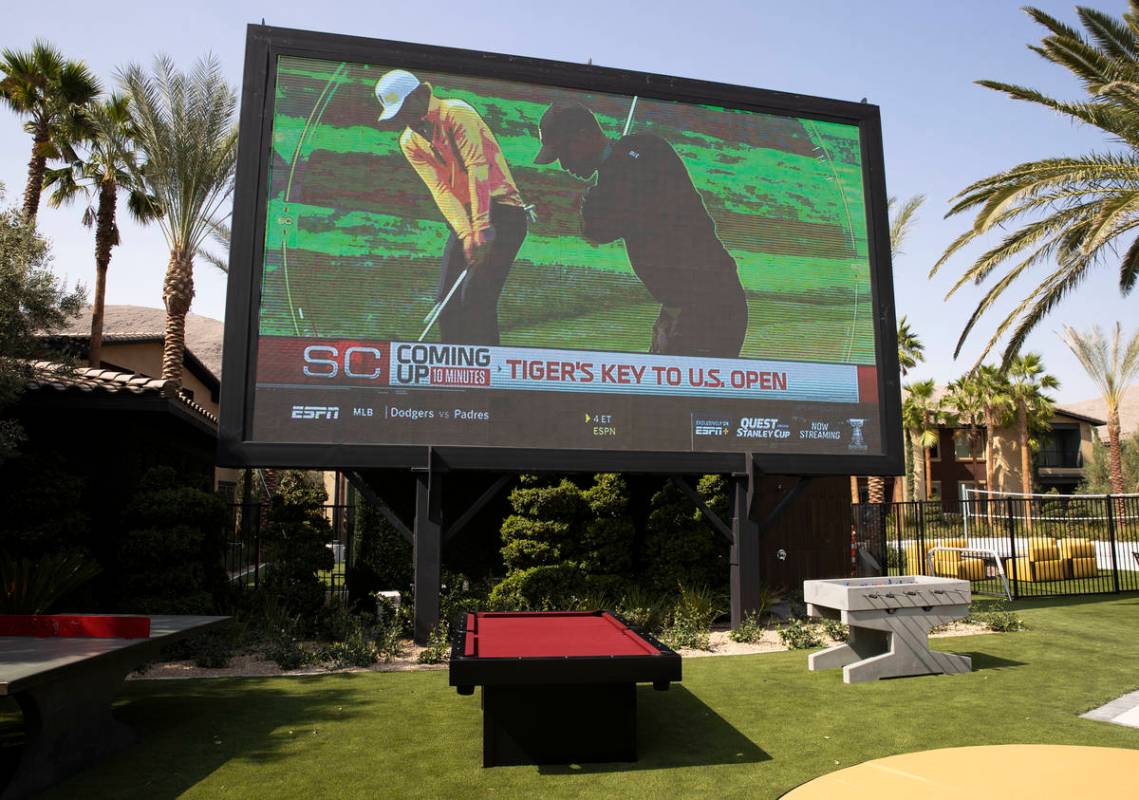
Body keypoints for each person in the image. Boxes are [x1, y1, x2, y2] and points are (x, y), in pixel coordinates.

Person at [534, 102, 748, 358]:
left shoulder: (645, 151)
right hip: (686, 304)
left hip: (711, 303)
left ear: (584, 135)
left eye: (563, 153)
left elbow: (622, 216)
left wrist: (602, 192)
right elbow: (598, 232)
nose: (563, 165)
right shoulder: (615, 175)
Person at [375, 69, 529, 345]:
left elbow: (477, 168)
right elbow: (441, 189)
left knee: (476, 298)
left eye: (405, 108)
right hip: (466, 220)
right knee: (446, 304)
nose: (404, 119)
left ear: (422, 94)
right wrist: (466, 233)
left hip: (503, 211)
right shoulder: (409, 142)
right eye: (397, 114)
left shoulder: (456, 113)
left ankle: (487, 368)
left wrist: (482, 226)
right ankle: (449, 369)